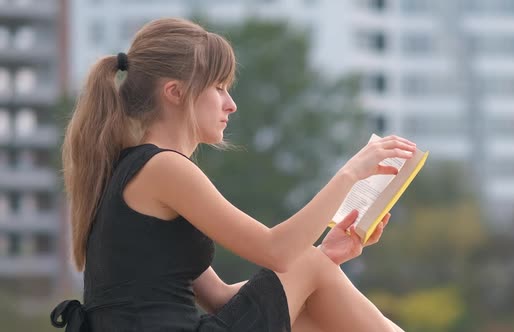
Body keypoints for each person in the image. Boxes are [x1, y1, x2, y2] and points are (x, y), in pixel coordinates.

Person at [50, 17, 415, 332]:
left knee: (313, 308)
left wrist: (325, 254)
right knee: (309, 269)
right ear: (175, 93)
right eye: (219, 88)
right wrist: (351, 173)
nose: (231, 104)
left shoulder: (139, 170)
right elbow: (277, 252)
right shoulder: (164, 168)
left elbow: (220, 297)